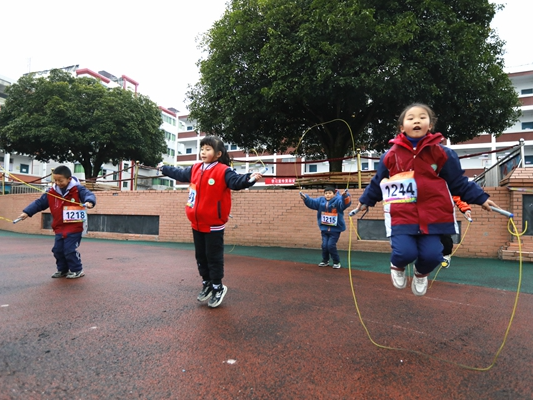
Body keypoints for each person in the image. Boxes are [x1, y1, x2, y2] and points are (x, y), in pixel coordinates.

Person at [353, 103, 499, 296]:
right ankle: (397, 266)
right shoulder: (390, 156)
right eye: (411, 118)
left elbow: (458, 182)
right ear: (401, 127)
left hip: (434, 216)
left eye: (422, 117)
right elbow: (379, 182)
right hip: (401, 216)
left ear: (430, 125)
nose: (417, 120)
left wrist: (481, 198)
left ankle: (421, 273)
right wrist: (366, 200)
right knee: (405, 253)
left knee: (432, 256)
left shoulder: (443, 154)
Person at [160, 135, 264, 308]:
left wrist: (250, 178)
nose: (203, 152)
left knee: (213, 257)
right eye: (202, 148)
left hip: (214, 224)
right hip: (196, 222)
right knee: (200, 256)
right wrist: (164, 169)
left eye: (208, 149)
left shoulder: (223, 170)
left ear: (218, 154)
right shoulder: (195, 168)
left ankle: (218, 287)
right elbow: (179, 173)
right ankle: (206, 283)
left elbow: (236, 182)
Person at [16, 165, 96, 279]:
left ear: (69, 179)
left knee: (69, 250)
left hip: (74, 227)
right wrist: (27, 213)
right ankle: (62, 270)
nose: (58, 183)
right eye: (56, 180)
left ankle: (77, 270)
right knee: (57, 250)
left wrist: (90, 202)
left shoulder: (78, 189)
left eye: (61, 180)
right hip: (59, 227)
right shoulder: (52, 192)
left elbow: (89, 195)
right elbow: (39, 203)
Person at [300, 186, 351, 269]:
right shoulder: (320, 200)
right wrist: (306, 198)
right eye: (326, 193)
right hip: (324, 229)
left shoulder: (338, 200)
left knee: (330, 245)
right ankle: (325, 260)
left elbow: (345, 204)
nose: (327, 195)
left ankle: (336, 262)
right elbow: (312, 203)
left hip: (335, 229)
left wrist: (345, 196)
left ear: (334, 194)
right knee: (324, 245)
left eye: (330, 193)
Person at [440, 196, 472, 269]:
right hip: (428, 220)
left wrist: (466, 210)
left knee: (446, 238)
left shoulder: (449, 188)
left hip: (445, 220)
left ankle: (446, 256)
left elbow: (458, 199)